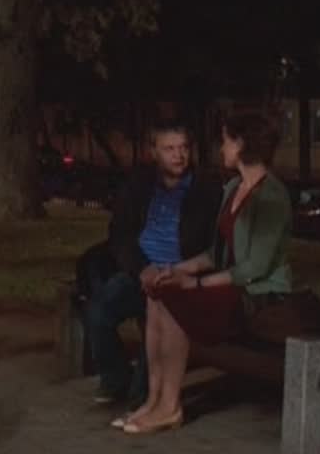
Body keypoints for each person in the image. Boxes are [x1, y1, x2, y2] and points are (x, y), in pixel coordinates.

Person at [117, 112, 293, 434]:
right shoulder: (233, 187)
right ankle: (153, 400)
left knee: (178, 301)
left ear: (241, 144)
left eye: (225, 141)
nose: (221, 148)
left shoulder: (271, 195)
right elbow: (216, 253)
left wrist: (196, 284)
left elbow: (255, 268)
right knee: (158, 292)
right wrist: (174, 270)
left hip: (261, 294)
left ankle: (170, 407)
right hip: (232, 284)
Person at [81, 120, 220, 407]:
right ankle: (115, 377)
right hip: (141, 270)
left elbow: (214, 245)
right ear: (153, 151)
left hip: (178, 276)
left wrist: (180, 272)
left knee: (155, 334)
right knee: (98, 313)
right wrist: (142, 268)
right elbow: (120, 234)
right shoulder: (140, 184)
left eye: (183, 148)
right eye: (169, 149)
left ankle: (146, 397)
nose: (178, 155)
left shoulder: (206, 189)